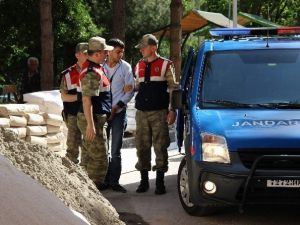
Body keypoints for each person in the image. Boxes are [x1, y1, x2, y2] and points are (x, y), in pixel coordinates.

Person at [134, 34, 178, 195]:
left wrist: (172, 109)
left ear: (153, 47)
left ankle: (160, 182)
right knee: (141, 146)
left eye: (143, 47)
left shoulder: (166, 64)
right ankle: (144, 181)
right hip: (141, 112)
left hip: (159, 112)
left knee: (160, 146)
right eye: (140, 47)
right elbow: (137, 86)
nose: (141, 50)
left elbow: (173, 88)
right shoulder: (138, 64)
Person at [77, 36, 113, 190]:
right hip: (93, 120)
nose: (107, 55)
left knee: (88, 156)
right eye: (105, 52)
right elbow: (87, 100)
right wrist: (90, 126)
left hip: (95, 119)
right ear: (97, 53)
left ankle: (83, 190)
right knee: (100, 159)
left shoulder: (97, 68)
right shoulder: (91, 72)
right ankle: (92, 192)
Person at [103, 38, 135, 193]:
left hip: (118, 113)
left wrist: (117, 107)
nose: (121, 54)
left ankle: (114, 181)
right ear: (109, 51)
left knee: (115, 149)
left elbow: (129, 92)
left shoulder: (126, 68)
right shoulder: (100, 67)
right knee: (102, 148)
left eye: (122, 51)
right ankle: (103, 180)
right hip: (102, 113)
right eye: (118, 51)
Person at [60, 42, 88, 164]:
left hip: (90, 115)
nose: (88, 55)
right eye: (85, 53)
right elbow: (64, 97)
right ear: (77, 55)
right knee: (72, 149)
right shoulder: (67, 74)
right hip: (73, 115)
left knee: (89, 149)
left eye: (90, 53)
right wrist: (80, 97)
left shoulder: (95, 71)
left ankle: (87, 177)